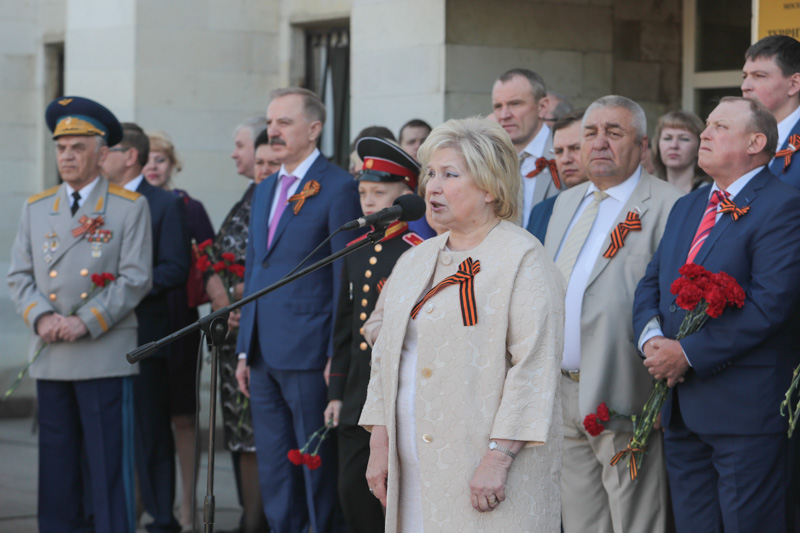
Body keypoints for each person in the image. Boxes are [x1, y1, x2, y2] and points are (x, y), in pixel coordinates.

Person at [360, 117, 565, 532]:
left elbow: (534, 368)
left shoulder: (523, 258)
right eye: (431, 174)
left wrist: (498, 458)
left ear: (490, 187)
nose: (432, 187)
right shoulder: (416, 258)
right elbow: (385, 357)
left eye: (449, 175)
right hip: (411, 471)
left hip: (487, 475)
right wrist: (379, 441)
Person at [633, 96, 800, 532]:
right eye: (706, 125)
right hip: (680, 407)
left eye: (719, 127)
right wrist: (651, 340)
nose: (704, 134)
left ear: (755, 143)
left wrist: (686, 353)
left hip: (744, 411)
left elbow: (771, 305)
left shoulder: (785, 206)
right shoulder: (689, 204)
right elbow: (652, 283)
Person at [7, 96, 152, 531]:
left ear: (102, 154)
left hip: (102, 354)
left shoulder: (128, 207)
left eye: (78, 148)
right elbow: (18, 276)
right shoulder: (37, 207)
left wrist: (84, 321)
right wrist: (41, 317)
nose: (67, 156)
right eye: (61, 148)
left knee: (108, 466)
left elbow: (135, 278)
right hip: (52, 352)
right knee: (57, 468)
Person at [544, 96, 681, 532]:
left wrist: (664, 398)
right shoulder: (567, 202)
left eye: (614, 132)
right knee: (581, 522)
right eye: (590, 133)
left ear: (642, 145)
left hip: (626, 389)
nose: (599, 142)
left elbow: (674, 304)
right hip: (562, 391)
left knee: (636, 521)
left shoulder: (671, 204)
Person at [234, 87, 361, 532]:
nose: (273, 131)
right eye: (271, 122)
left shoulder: (339, 186)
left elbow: (343, 277)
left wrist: (334, 355)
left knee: (314, 469)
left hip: (310, 352)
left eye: (284, 122)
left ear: (314, 129)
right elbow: (255, 268)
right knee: (275, 470)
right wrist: (244, 349)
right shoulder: (265, 189)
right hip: (262, 352)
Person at [324, 137, 422, 533]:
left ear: (405, 195)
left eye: (379, 193)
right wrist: (336, 391)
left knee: (394, 495)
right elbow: (345, 326)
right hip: (356, 391)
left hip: (394, 389)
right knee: (351, 491)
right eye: (363, 193)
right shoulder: (355, 248)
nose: (368, 201)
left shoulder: (416, 250)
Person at [102, 122, 191, 533]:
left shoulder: (164, 204)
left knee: (150, 431)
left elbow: (175, 268)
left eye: (107, 150)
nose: (99, 157)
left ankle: (161, 518)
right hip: (97, 334)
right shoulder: (98, 200)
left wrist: (125, 290)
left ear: (130, 156)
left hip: (143, 334)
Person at [143, 130, 215, 529]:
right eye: (147, 159)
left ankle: (188, 507)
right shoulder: (126, 204)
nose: (153, 166)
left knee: (184, 416)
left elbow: (212, 265)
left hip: (180, 320)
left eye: (161, 159)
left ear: (173, 165)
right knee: (145, 421)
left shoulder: (190, 207)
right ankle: (146, 504)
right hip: (139, 323)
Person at [204, 116, 270, 533]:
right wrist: (217, 290)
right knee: (238, 436)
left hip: (258, 334)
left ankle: (257, 522)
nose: (235, 154)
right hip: (231, 336)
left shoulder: (279, 199)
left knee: (254, 436)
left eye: (240, 145)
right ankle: (251, 516)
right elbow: (215, 256)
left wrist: (239, 299)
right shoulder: (247, 196)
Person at [492, 68, 565, 227]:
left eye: (515, 104)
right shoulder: (490, 160)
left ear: (542, 107)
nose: (504, 115)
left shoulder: (566, 155)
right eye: (498, 106)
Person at [742, 34, 800, 189]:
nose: (745, 86)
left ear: (794, 84)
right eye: (744, 76)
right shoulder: (740, 137)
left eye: (759, 76)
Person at [526, 109, 589, 242]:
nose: (565, 159)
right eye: (559, 151)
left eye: (576, 148)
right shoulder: (541, 212)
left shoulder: (618, 207)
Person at [651, 110, 710, 194]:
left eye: (684, 139)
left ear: (699, 147)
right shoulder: (649, 191)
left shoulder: (710, 195)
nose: (674, 145)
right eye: (667, 138)